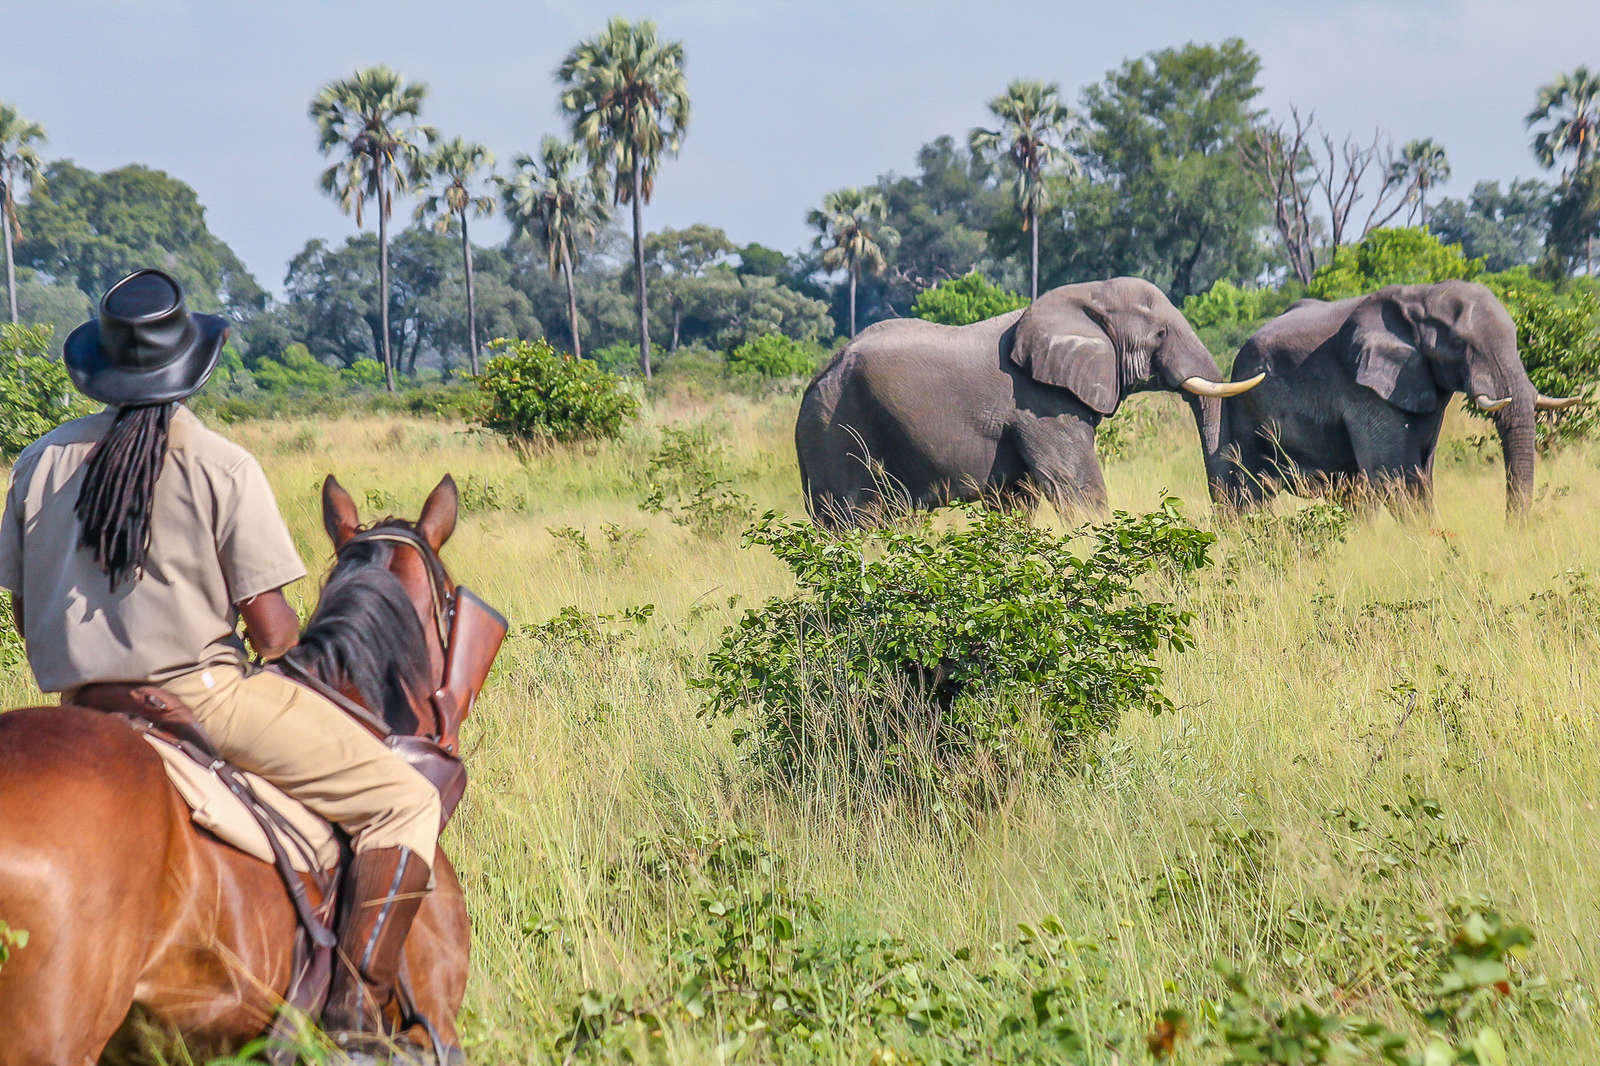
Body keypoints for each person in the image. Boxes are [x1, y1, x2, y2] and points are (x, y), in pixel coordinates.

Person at [0, 269, 440, 1050]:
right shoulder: (221, 463)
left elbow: (21, 611)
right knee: (403, 800)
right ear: (190, 365)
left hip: (81, 705)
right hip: (208, 700)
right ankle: (356, 1022)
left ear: (102, 365)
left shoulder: (38, 461)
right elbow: (272, 635)